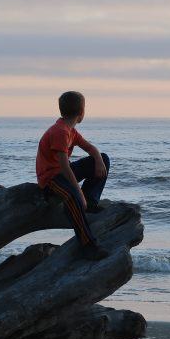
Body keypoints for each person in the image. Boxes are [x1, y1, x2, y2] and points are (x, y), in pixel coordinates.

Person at [35, 91, 110, 260]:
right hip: (50, 180)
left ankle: (90, 201)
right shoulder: (60, 132)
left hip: (62, 174)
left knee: (103, 159)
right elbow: (64, 165)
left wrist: (98, 159)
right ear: (82, 112)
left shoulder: (71, 131)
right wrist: (79, 193)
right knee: (72, 197)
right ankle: (88, 245)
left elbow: (92, 149)